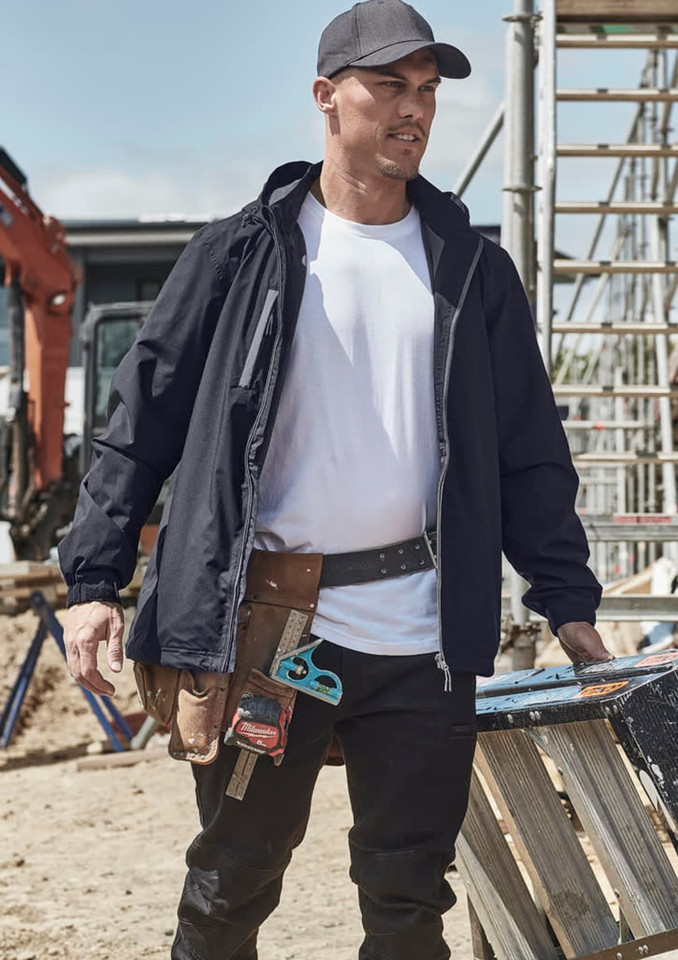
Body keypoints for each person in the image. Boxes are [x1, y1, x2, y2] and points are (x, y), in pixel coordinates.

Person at [59, 1, 612, 957]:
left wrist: (569, 603)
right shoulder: (241, 254)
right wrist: (92, 581)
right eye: (389, 85)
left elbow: (530, 455)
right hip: (272, 633)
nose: (415, 109)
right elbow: (138, 423)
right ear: (326, 97)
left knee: (408, 902)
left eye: (428, 91)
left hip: (422, 637)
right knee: (232, 884)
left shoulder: (473, 270)